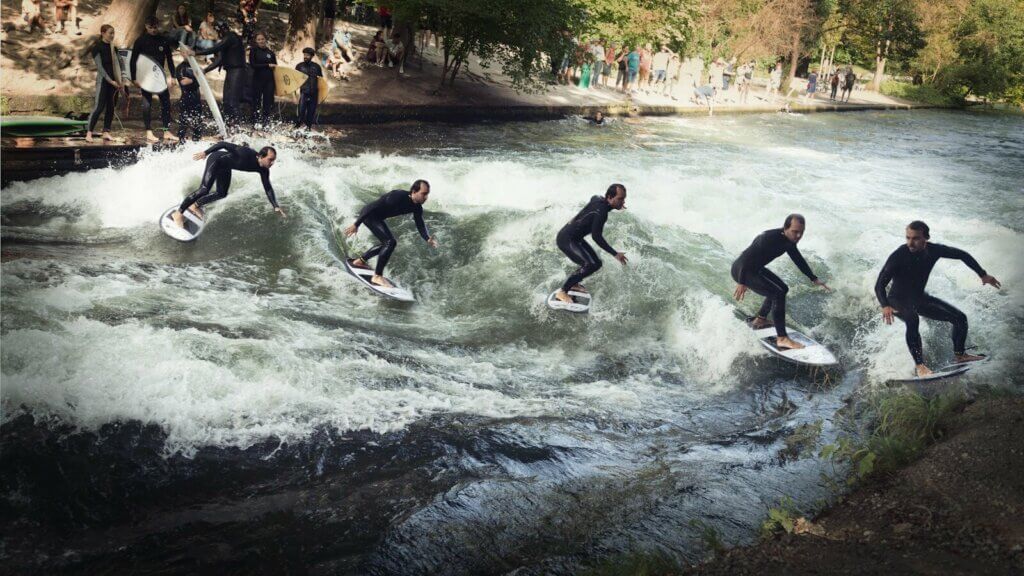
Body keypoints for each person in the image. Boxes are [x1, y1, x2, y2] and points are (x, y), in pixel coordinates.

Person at [875, 221, 999, 377]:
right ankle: (920, 366)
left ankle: (960, 355)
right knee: (912, 319)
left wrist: (983, 274)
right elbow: (879, 285)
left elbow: (962, 255)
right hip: (896, 300)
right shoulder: (899, 255)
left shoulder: (934, 250)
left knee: (960, 318)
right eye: (908, 238)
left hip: (919, 298)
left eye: (915, 238)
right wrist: (885, 305)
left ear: (926, 238)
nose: (910, 243)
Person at [731, 214, 832, 350]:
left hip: (755, 269)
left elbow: (798, 259)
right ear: (785, 228)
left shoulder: (789, 241)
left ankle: (760, 319)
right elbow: (745, 257)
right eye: (795, 232)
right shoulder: (767, 238)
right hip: (743, 270)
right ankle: (782, 338)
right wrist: (741, 282)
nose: (798, 236)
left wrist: (813, 278)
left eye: (801, 232)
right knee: (777, 293)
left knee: (783, 289)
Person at [344, 181, 438, 288]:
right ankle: (377, 276)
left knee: (387, 244)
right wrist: (356, 224)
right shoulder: (397, 196)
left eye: (427, 194)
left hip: (377, 218)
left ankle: (359, 262)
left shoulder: (417, 207)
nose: (426, 197)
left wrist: (427, 238)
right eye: (423, 194)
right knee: (390, 242)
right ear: (414, 191)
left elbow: (420, 223)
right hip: (369, 215)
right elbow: (373, 207)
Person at [172, 141, 284, 228]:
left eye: (273, 160)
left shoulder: (264, 170)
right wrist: (206, 152)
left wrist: (275, 206)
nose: (272, 163)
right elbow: (223, 144)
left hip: (226, 167)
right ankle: (178, 213)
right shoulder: (245, 153)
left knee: (221, 193)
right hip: (216, 160)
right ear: (261, 156)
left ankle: (195, 205)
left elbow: (268, 188)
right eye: (270, 160)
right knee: (204, 189)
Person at [553, 185, 628, 305]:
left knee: (597, 263)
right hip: (566, 239)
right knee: (590, 264)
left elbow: (594, 197)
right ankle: (563, 291)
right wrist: (615, 254)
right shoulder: (602, 212)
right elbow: (596, 236)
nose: (623, 202)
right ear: (609, 197)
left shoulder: (598, 199)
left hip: (575, 238)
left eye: (623, 199)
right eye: (620, 199)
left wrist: (614, 204)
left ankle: (574, 284)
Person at [131, 17, 178, 143]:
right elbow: (133, 60)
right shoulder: (140, 41)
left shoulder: (163, 40)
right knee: (147, 104)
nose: (153, 30)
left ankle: (166, 131)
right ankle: (148, 131)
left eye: (155, 27)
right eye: (150, 27)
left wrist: (173, 76)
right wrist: (134, 77)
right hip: (145, 76)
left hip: (159, 76)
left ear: (158, 26)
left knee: (166, 103)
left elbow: (169, 59)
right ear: (146, 26)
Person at [191, 20, 246, 125]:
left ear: (220, 30)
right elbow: (219, 60)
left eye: (216, 31)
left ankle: (237, 126)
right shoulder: (226, 42)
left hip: (237, 71)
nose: (216, 33)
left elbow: (215, 48)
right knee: (226, 100)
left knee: (233, 100)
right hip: (230, 71)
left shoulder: (231, 37)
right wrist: (205, 70)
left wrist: (196, 53)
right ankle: (228, 124)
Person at [86, 24, 126, 143]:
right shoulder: (97, 48)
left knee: (111, 107)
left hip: (115, 82)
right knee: (99, 107)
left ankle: (106, 132)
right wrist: (111, 81)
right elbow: (100, 68)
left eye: (113, 33)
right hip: (104, 81)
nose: (112, 35)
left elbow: (121, 64)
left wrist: (122, 80)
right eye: (110, 33)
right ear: (103, 33)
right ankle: (89, 133)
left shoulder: (114, 48)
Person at [249, 32, 276, 125]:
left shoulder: (271, 53)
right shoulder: (254, 51)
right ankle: (255, 121)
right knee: (256, 101)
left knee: (267, 101)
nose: (261, 41)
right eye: (259, 39)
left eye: (262, 39)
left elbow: (275, 66)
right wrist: (267, 65)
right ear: (256, 41)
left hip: (269, 81)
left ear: (265, 40)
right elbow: (253, 65)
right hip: (257, 79)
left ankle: (266, 122)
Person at [175, 58, 204, 142]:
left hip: (196, 99)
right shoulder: (181, 67)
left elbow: (202, 81)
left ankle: (196, 140)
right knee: (184, 121)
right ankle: (181, 141)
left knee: (197, 121)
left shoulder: (196, 66)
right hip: (186, 98)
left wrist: (192, 80)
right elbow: (184, 82)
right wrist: (196, 77)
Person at [295, 47, 323, 130]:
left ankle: (308, 129)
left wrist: (322, 95)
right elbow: (294, 80)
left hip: (314, 93)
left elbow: (321, 81)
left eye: (307, 55)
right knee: (301, 113)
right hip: (304, 93)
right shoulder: (299, 66)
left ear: (312, 56)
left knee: (311, 114)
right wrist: (295, 95)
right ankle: (297, 128)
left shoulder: (317, 67)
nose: (305, 57)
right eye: (304, 55)